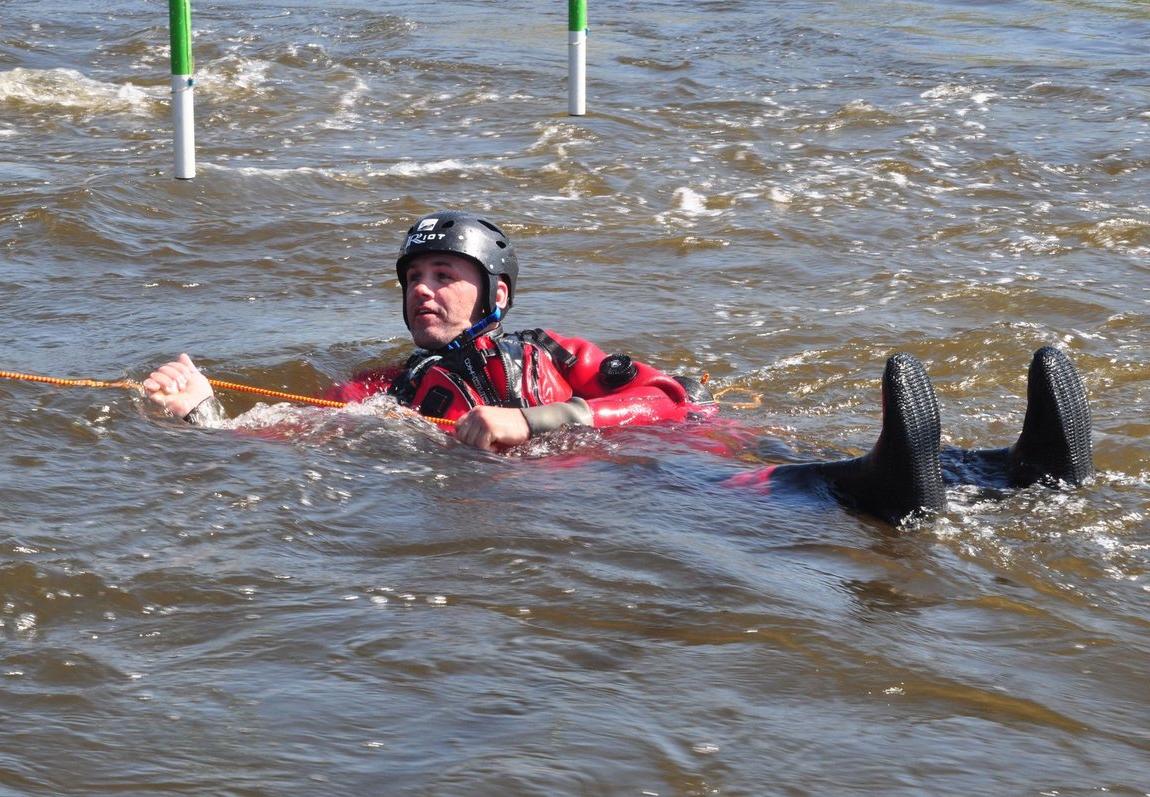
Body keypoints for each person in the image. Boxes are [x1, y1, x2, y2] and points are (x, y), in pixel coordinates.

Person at [144, 210, 1094, 524]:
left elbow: (665, 396)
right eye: (417, 278)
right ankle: (903, 481)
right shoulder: (391, 387)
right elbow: (287, 430)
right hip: (643, 494)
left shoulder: (554, 353)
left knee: (765, 460)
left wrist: (546, 421)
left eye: (448, 275)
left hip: (665, 451)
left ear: (495, 294)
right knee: (781, 483)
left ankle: (1020, 464)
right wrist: (200, 414)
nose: (427, 291)